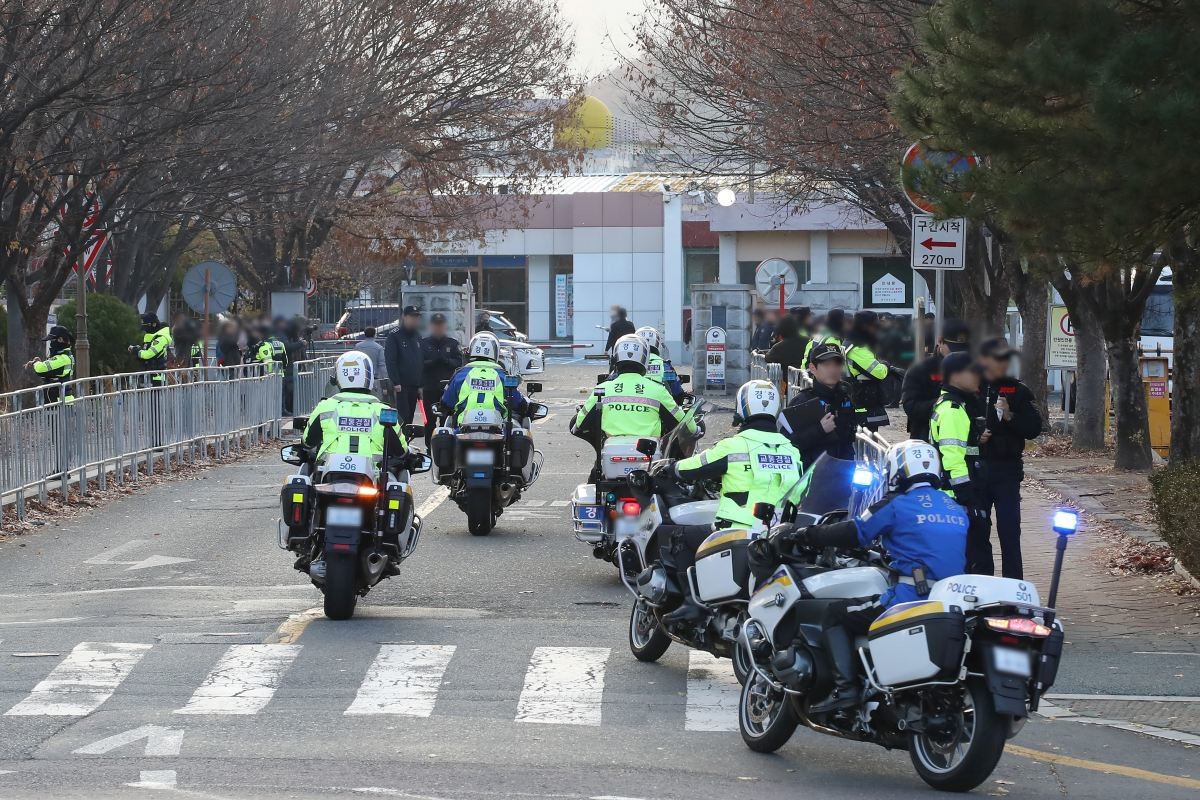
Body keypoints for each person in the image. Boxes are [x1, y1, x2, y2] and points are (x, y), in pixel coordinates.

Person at [766, 440, 967, 712]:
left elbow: (855, 531)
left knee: (834, 615)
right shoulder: (954, 508)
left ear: (898, 470)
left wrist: (807, 534)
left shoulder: (896, 504)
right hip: (945, 601)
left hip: (908, 598)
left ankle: (845, 689)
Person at [662, 379, 804, 623]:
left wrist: (669, 468)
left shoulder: (733, 445)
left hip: (734, 531)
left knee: (676, 536)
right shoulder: (791, 450)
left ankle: (691, 603)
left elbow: (694, 467)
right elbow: (799, 492)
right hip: (776, 534)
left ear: (742, 408)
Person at [297, 351, 417, 575]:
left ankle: (305, 542)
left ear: (337, 377)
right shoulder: (383, 411)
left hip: (330, 477)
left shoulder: (326, 407)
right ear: (369, 377)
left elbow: (307, 442)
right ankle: (388, 546)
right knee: (396, 486)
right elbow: (401, 450)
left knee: (305, 480)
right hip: (371, 478)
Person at [570, 334, 695, 469]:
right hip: (650, 459)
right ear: (645, 360)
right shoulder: (658, 390)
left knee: (595, 477)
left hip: (610, 458)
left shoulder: (602, 389)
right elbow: (686, 424)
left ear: (615, 359)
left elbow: (579, 424)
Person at [977, 337, 1043, 579]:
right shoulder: (972, 387)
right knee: (978, 532)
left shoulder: (1017, 390)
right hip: (977, 470)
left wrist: (1009, 416)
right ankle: (981, 582)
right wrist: (975, 437)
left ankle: (1013, 584)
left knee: (1010, 532)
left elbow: (1034, 428)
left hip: (1007, 471)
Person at [929, 351, 992, 574]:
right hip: (958, 498)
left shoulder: (952, 404)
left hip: (954, 495)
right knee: (975, 558)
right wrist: (968, 497)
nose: (978, 376)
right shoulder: (953, 410)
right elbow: (953, 457)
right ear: (956, 375)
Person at [779, 343, 855, 467]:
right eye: (827, 365)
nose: (833, 370)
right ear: (813, 368)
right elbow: (786, 443)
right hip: (811, 472)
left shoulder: (845, 398)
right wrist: (820, 430)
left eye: (837, 364)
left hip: (843, 470)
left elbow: (848, 439)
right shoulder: (802, 401)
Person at [900, 317, 970, 442]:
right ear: (940, 341)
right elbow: (911, 407)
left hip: (966, 437)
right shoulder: (921, 369)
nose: (958, 354)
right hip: (927, 437)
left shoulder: (973, 369)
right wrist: (944, 402)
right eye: (953, 349)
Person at [440, 332, 529, 425]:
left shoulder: (461, 374)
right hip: (496, 428)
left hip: (464, 427)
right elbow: (519, 403)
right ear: (495, 352)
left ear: (471, 350)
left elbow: (446, 402)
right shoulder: (502, 375)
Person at [843, 310, 892, 431]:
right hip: (863, 402)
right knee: (867, 438)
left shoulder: (851, 341)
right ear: (865, 326)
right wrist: (885, 365)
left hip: (858, 399)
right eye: (875, 326)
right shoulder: (858, 348)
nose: (877, 330)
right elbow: (879, 372)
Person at [420, 313, 462, 445]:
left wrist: (447, 361)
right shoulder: (424, 343)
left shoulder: (452, 343)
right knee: (429, 420)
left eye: (441, 325)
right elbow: (418, 363)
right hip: (429, 387)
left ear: (445, 326)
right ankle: (429, 447)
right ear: (431, 326)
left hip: (447, 389)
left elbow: (459, 362)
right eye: (436, 325)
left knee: (447, 420)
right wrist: (431, 362)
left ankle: (447, 446)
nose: (438, 328)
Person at [384, 305, 424, 424]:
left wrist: (420, 384)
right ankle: (401, 435)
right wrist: (396, 381)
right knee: (402, 416)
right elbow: (390, 360)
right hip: (401, 385)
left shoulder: (417, 335)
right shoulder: (395, 336)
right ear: (404, 317)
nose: (414, 320)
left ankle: (407, 434)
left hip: (414, 384)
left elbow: (420, 360)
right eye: (412, 317)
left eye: (416, 317)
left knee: (410, 416)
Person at [633, 325, 685, 402]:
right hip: (660, 406)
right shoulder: (665, 366)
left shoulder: (629, 367)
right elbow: (677, 392)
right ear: (657, 343)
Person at [27, 325, 75, 403]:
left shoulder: (63, 358)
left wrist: (36, 363)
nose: (51, 344)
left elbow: (40, 369)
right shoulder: (64, 355)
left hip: (60, 404)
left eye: (52, 341)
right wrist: (40, 363)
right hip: (59, 402)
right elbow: (50, 369)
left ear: (60, 339)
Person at [129, 313, 173, 386]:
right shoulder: (150, 338)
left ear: (153, 324)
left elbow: (149, 354)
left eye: (146, 327)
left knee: (155, 394)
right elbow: (145, 354)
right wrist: (137, 349)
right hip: (146, 375)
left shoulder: (161, 338)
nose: (145, 330)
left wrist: (137, 351)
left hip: (157, 377)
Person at [356, 327, 387, 397]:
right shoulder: (379, 348)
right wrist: (385, 384)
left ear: (365, 334)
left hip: (360, 378)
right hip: (374, 379)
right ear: (374, 335)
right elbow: (382, 366)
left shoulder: (358, 346)